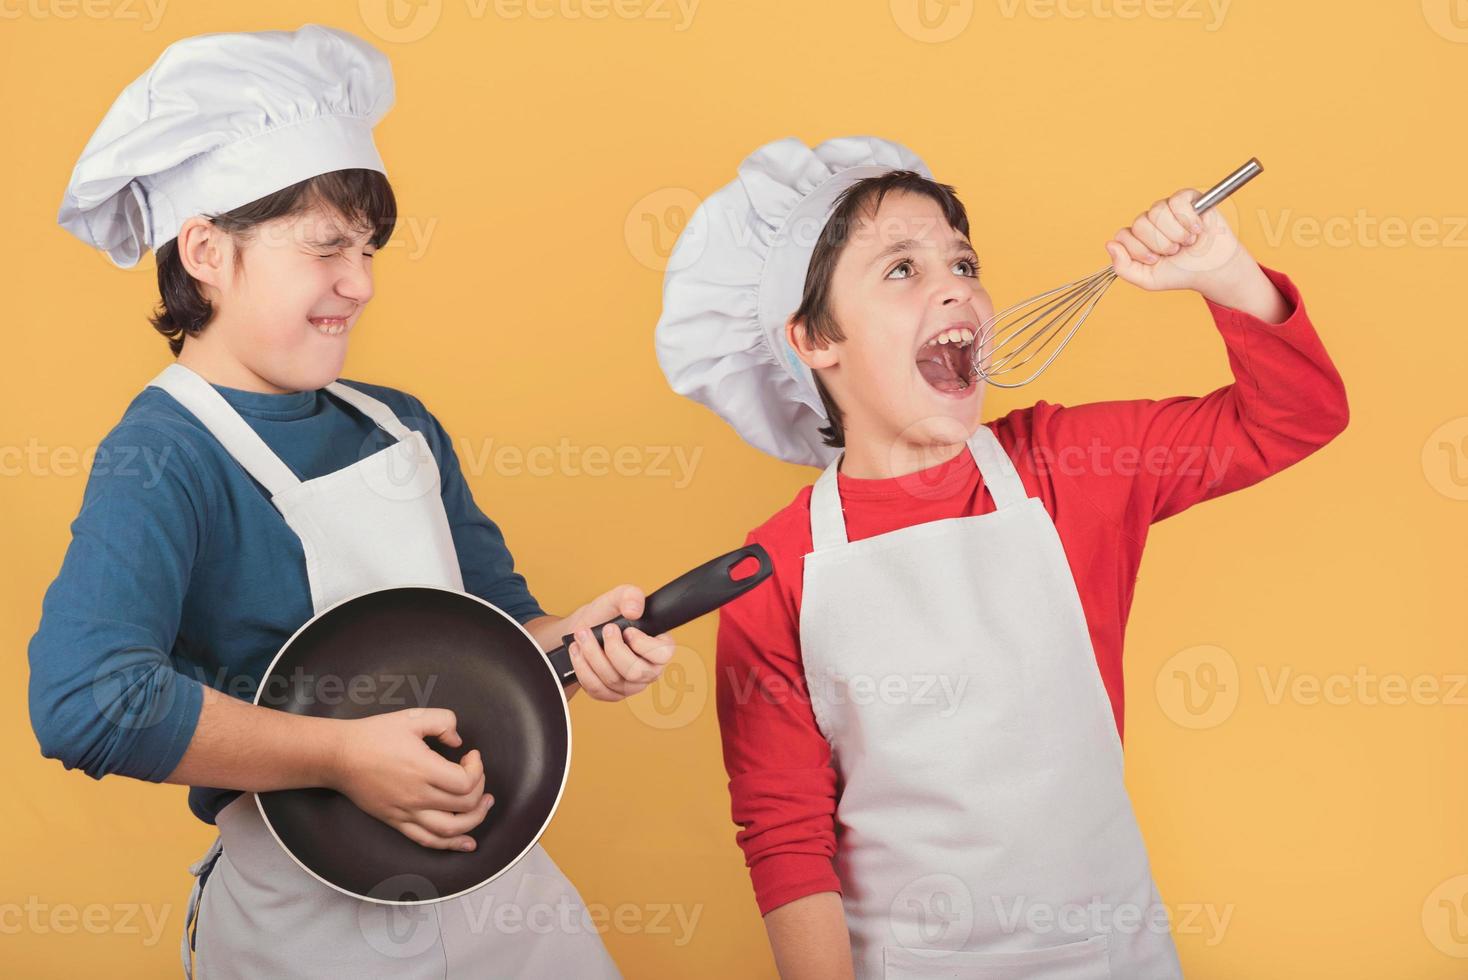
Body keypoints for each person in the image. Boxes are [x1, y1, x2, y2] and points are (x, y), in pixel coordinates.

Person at [34, 24, 669, 978]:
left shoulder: (399, 425)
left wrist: (576, 643)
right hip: (310, 929)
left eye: (369, 249)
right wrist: (338, 755)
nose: (361, 284)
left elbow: (496, 633)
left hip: (509, 909)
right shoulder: (165, 455)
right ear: (206, 249)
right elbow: (87, 702)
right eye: (327, 247)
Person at [655, 136, 1350, 978]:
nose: (956, 285)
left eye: (964, 261)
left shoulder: (1067, 468)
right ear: (811, 339)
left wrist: (1225, 272)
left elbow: (1292, 420)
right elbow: (784, 832)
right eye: (902, 270)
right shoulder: (776, 568)